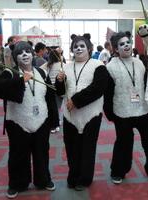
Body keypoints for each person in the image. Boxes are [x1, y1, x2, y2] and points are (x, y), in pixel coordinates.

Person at [0, 41, 61, 199]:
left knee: (41, 153)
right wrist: (20, 80)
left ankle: (43, 180)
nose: (24, 54)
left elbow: (50, 97)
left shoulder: (41, 73)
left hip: (41, 121)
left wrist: (53, 120)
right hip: (18, 122)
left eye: (27, 51)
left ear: (32, 54)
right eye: (20, 52)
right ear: (16, 57)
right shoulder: (11, 73)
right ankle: (17, 183)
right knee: (18, 155)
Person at [103, 31, 148, 185]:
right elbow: (107, 92)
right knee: (124, 143)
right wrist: (110, 113)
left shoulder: (139, 63)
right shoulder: (111, 67)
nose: (126, 45)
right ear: (116, 49)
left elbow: (146, 83)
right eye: (121, 44)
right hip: (122, 110)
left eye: (128, 42)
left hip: (142, 109)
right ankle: (118, 171)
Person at [55, 33, 109, 191]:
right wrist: (59, 81)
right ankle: (73, 176)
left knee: (87, 148)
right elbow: (60, 92)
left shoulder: (98, 65)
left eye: (82, 46)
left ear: (89, 48)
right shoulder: (66, 66)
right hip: (70, 115)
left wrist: (76, 100)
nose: (78, 49)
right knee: (71, 147)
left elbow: (98, 89)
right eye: (75, 46)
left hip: (91, 114)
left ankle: (84, 178)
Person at [40, 49, 63, 133]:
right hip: (58, 87)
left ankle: (55, 122)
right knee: (58, 106)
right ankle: (58, 121)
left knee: (52, 107)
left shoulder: (47, 64)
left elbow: (39, 70)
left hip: (49, 88)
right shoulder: (62, 64)